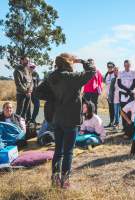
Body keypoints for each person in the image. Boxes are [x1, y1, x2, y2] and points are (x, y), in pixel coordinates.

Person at [47, 53, 96, 189]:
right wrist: (82, 61)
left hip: (57, 118)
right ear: (69, 62)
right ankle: (65, 181)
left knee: (58, 150)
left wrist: (53, 99)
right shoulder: (72, 77)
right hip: (71, 119)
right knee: (68, 151)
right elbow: (92, 71)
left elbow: (38, 92)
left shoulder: (52, 76)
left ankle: (55, 179)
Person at [118, 60, 135, 129]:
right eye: (125, 65)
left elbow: (134, 83)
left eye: (128, 65)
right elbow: (119, 84)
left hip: (131, 94)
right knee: (123, 110)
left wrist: (129, 91)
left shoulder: (133, 72)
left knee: (130, 110)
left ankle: (130, 126)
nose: (127, 67)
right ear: (124, 65)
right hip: (123, 94)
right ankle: (124, 127)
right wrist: (127, 90)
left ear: (130, 65)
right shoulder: (121, 73)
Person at [13, 56, 33, 120]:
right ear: (21, 60)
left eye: (28, 61)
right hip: (21, 94)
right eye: (26, 60)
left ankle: (23, 125)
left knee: (25, 111)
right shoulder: (17, 70)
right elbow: (18, 84)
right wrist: (26, 91)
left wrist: (30, 90)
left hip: (28, 94)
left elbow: (31, 81)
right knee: (19, 112)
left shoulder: (28, 70)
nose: (27, 62)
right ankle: (16, 124)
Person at [104, 62, 116, 128]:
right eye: (108, 66)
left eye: (111, 66)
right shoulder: (107, 74)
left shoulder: (115, 74)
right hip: (108, 94)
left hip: (114, 95)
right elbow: (106, 84)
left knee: (115, 109)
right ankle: (111, 122)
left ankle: (115, 123)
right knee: (110, 109)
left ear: (113, 67)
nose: (109, 68)